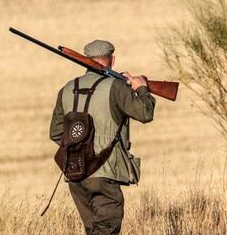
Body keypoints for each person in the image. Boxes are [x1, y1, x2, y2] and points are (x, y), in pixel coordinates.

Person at [49, 39, 156, 235]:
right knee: (106, 229)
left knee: (93, 230)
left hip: (75, 174)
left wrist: (79, 148)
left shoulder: (66, 88)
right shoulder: (115, 87)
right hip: (104, 171)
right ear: (112, 60)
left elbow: (56, 132)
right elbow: (145, 113)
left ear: (85, 60)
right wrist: (141, 88)